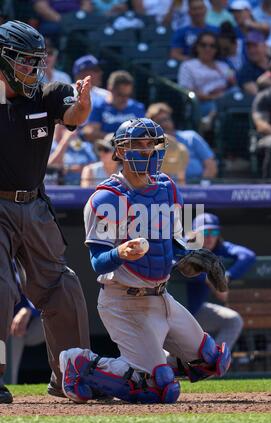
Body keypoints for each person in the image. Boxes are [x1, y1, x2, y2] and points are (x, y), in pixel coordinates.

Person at [59, 117, 231, 404]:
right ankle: (82, 365)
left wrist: (194, 258)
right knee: (160, 390)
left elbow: (175, 244)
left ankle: (140, 369)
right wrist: (120, 253)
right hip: (125, 302)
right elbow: (98, 262)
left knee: (212, 362)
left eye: (151, 143)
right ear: (121, 151)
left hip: (163, 299)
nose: (147, 150)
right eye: (138, 144)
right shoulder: (105, 198)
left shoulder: (167, 187)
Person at [0, 20, 91, 404]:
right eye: (24, 62)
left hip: (34, 204)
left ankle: (71, 376)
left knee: (62, 287)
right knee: (1, 289)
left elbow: (73, 116)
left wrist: (83, 104)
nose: (33, 71)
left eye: (37, 62)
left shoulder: (48, 93)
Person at [185, 213, 256, 350]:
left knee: (233, 321)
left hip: (195, 310)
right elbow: (175, 261)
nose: (210, 236)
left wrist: (227, 276)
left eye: (214, 231)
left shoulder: (219, 248)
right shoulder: (184, 246)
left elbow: (247, 255)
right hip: (171, 313)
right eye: (205, 232)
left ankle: (213, 362)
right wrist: (208, 278)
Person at [146, 102, 217, 183]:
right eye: (158, 122)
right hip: (167, 190)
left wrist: (200, 188)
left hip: (196, 187)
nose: (164, 124)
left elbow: (211, 166)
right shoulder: (150, 147)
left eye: (166, 119)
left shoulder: (191, 137)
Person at [178, 30, 236, 118]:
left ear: (216, 49)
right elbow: (187, 92)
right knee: (219, 108)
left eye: (212, 46)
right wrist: (213, 97)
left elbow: (234, 81)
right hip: (202, 104)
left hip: (225, 98)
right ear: (197, 47)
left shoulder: (224, 65)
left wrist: (231, 82)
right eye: (203, 45)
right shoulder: (187, 66)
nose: (207, 49)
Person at [87, 70, 145, 136]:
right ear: (110, 89)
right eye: (120, 95)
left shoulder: (137, 107)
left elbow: (143, 133)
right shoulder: (99, 106)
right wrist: (112, 137)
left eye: (128, 95)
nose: (125, 99)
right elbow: (90, 133)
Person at [237, 31, 270, 96]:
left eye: (255, 46)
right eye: (249, 48)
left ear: (265, 46)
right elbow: (257, 94)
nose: (252, 50)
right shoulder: (245, 71)